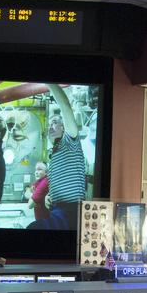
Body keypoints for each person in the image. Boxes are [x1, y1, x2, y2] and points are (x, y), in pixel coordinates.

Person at [43, 83, 86, 231]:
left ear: (64, 127)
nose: (50, 126)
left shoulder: (70, 141)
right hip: (57, 209)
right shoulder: (53, 153)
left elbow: (65, 106)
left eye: (54, 122)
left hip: (73, 209)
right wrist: (49, 196)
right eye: (49, 124)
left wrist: (49, 83)